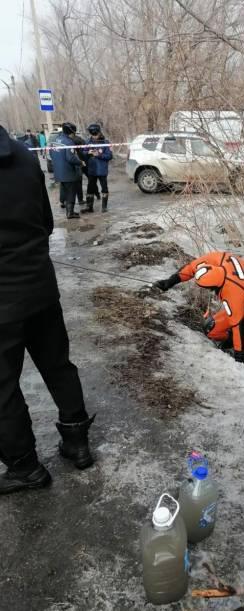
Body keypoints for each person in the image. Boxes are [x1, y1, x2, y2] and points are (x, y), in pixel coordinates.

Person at [0, 125, 95, 494]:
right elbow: (46, 221)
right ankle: (77, 444)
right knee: (57, 364)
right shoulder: (24, 157)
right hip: (40, 287)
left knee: (3, 388)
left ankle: (25, 467)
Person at [154, 252, 244, 362]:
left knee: (210, 328)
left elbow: (236, 325)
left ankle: (238, 340)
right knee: (237, 314)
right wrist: (170, 282)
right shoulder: (219, 259)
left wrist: (239, 359)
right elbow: (192, 268)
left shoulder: (232, 294)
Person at [50, 122, 83, 219]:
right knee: (71, 192)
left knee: (64, 188)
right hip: (68, 172)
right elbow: (70, 158)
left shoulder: (55, 139)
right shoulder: (69, 142)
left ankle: (65, 205)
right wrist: (80, 162)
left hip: (58, 171)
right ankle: (70, 213)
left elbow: (51, 154)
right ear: (71, 132)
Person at [81, 124, 112, 214]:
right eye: (92, 135)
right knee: (90, 188)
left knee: (104, 188)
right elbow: (83, 152)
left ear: (99, 132)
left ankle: (104, 207)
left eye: (95, 135)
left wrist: (99, 155)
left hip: (102, 169)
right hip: (91, 169)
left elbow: (109, 156)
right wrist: (88, 152)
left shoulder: (106, 142)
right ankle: (89, 207)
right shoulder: (88, 141)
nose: (94, 137)